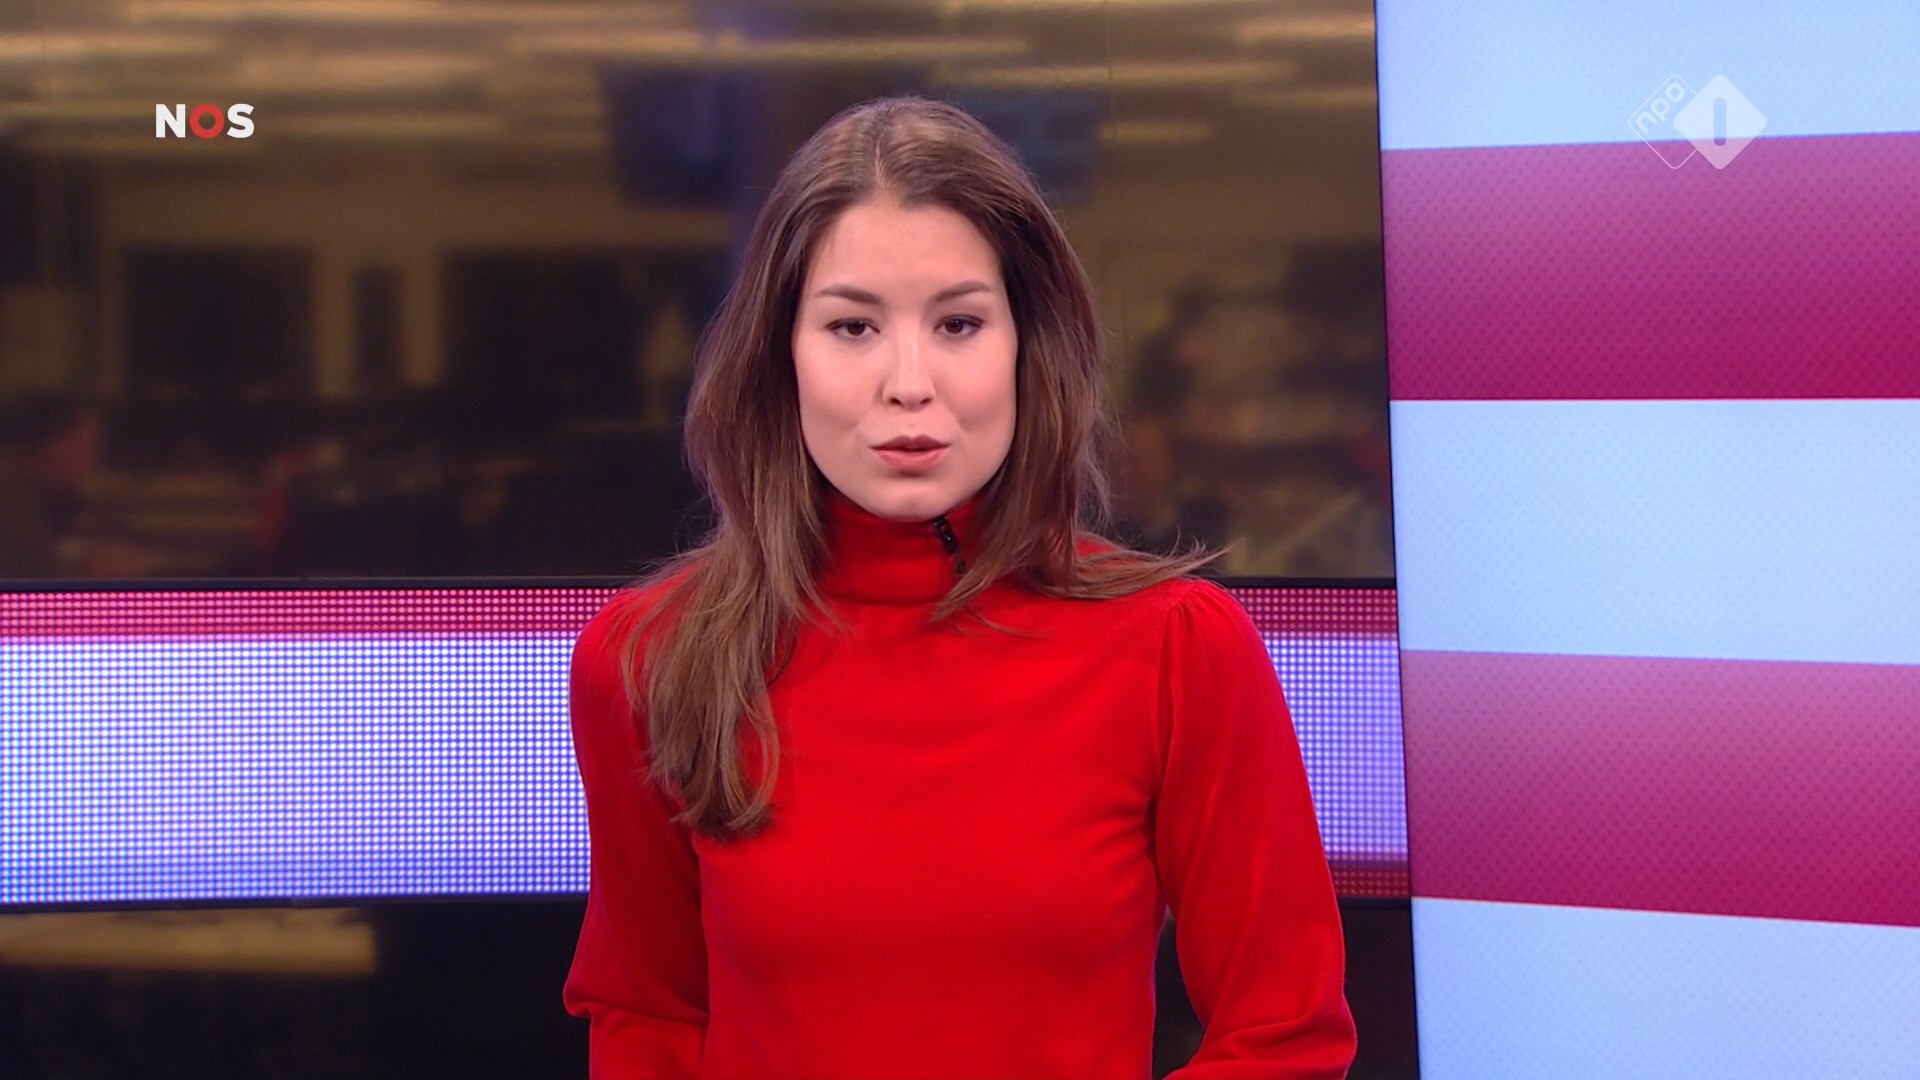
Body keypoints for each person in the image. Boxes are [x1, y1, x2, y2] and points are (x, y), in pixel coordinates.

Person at [563, 97, 1356, 1080]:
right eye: (853, 326)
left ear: (1027, 345)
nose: (909, 382)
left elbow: (1284, 1035)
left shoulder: (1178, 649)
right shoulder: (649, 658)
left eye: (959, 323)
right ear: (781, 354)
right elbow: (648, 1016)